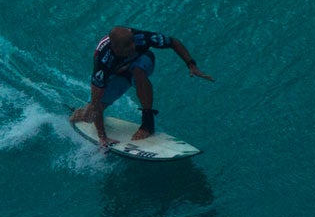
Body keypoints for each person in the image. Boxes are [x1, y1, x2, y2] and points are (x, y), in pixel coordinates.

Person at [70, 26, 214, 145]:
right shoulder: (103, 62)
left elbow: (173, 42)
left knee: (138, 70)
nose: (133, 47)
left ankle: (147, 123)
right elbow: (96, 102)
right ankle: (82, 113)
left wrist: (191, 64)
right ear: (115, 48)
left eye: (132, 42)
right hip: (117, 73)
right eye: (127, 46)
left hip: (142, 62)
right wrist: (102, 137)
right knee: (92, 112)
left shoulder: (141, 38)